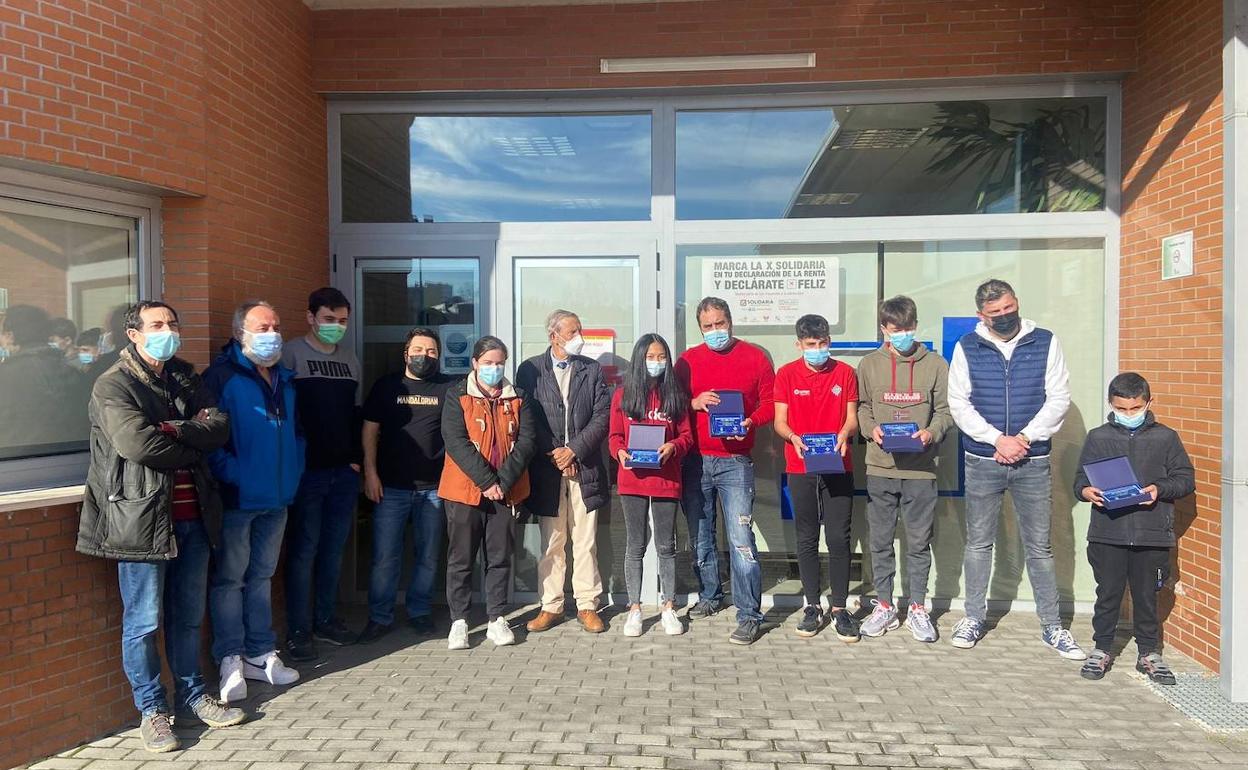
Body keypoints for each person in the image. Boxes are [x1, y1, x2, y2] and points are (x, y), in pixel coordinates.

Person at [75, 301, 244, 752]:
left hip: (193, 519)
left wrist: (176, 429)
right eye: (155, 325)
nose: (166, 331)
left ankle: (192, 696)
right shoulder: (113, 384)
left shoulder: (187, 377)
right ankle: (153, 711)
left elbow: (221, 427)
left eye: (171, 324)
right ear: (133, 334)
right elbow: (139, 443)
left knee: (188, 618)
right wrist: (192, 441)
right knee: (144, 623)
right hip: (142, 523)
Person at [947, 278, 1085, 659]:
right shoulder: (967, 346)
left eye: (1009, 308)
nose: (1005, 316)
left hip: (1033, 458)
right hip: (982, 459)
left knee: (1039, 546)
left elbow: (1059, 397)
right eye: (996, 313)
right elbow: (959, 403)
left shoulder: (1045, 341)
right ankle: (973, 617)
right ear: (981, 315)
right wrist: (996, 439)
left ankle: (1053, 627)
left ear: (1016, 302)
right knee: (978, 544)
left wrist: (1023, 437)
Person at [204, 300, 304, 702]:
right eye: (262, 327)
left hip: (278, 497)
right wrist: (237, 477)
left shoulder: (285, 378)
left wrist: (294, 470)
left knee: (262, 578)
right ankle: (230, 657)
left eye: (276, 326)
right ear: (239, 333)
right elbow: (210, 442)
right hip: (239, 499)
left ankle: (262, 654)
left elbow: (296, 433)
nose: (272, 334)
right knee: (230, 580)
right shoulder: (221, 378)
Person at [1073, 373, 1195, 684]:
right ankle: (1101, 650)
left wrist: (1158, 489)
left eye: (1135, 408)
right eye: (1121, 409)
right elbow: (1080, 482)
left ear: (1148, 403)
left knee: (1146, 596)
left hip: (1151, 533)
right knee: (1108, 595)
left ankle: (1149, 654)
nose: (1129, 415)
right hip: (1107, 533)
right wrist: (1087, 492)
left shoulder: (1166, 438)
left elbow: (1185, 479)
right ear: (1111, 405)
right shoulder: (1098, 437)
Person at [675, 296, 775, 645]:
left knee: (741, 539)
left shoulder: (755, 357)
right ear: (699, 328)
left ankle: (749, 614)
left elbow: (770, 403)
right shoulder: (687, 361)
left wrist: (750, 421)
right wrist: (693, 402)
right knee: (701, 535)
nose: (715, 331)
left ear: (730, 321)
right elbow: (671, 406)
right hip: (696, 460)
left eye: (720, 323)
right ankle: (710, 596)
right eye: (708, 326)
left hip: (736, 462)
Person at [856, 296, 953, 642]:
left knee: (918, 542)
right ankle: (884, 605)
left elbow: (945, 411)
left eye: (909, 329)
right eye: (896, 330)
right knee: (880, 541)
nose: (903, 335)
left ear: (916, 326)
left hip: (921, 470)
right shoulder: (868, 365)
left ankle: (917, 608)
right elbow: (863, 408)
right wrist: (872, 430)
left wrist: (932, 431)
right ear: (884, 328)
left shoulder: (936, 365)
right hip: (880, 467)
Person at [515, 310, 611, 634]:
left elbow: (601, 416)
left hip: (585, 468)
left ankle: (587, 605)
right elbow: (526, 416)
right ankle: (551, 606)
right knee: (552, 542)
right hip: (548, 469)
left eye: (579, 330)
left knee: (585, 541)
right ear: (554, 335)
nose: (578, 337)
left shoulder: (592, 369)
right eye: (572, 331)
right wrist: (556, 453)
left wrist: (574, 450)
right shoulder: (530, 370)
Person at [438, 336, 537, 650]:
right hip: (465, 490)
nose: (494, 368)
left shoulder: (518, 397)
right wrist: (486, 481)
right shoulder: (457, 395)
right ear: (475, 364)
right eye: (488, 363)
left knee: (499, 557)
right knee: (461, 558)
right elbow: (455, 441)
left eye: (500, 363)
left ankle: (497, 618)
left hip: (506, 492)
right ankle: (460, 622)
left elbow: (526, 442)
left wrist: (503, 482)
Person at [357, 327, 454, 643]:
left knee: (428, 555)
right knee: (385, 556)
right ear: (406, 354)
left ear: (438, 356)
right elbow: (370, 431)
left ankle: (419, 612)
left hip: (435, 488)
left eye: (431, 352)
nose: (424, 356)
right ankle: (379, 616)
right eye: (418, 350)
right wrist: (370, 474)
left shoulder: (449, 387)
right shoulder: (387, 386)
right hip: (391, 487)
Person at [281, 287, 362, 661]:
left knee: (333, 551)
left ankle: (326, 619)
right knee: (303, 551)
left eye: (342, 321)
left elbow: (354, 415)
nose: (336, 327)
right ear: (311, 317)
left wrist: (355, 460)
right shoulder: (292, 354)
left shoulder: (350, 359)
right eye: (329, 319)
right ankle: (299, 630)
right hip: (307, 473)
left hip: (342, 472)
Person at [772, 314, 860, 642]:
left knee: (838, 537)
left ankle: (839, 607)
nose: (818, 350)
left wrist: (844, 433)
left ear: (829, 342)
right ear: (799, 345)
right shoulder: (786, 374)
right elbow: (779, 421)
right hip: (800, 467)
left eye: (823, 344)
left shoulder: (845, 373)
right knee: (806, 537)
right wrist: (793, 437)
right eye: (811, 345)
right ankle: (812, 605)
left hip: (839, 464)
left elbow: (852, 419)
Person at [609, 333, 694, 637]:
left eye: (661, 357)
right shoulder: (623, 395)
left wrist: (673, 446)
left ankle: (668, 606)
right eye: (650, 357)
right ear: (639, 359)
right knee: (635, 545)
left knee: (666, 546)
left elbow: (686, 436)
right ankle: (635, 608)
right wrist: (619, 451)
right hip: (632, 479)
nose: (656, 363)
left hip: (665, 480)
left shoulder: (675, 395)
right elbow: (615, 436)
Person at [0, 304, 88, 454]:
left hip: (15, 465)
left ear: (10, 336)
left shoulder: (6, 377)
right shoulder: (73, 374)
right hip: (73, 463)